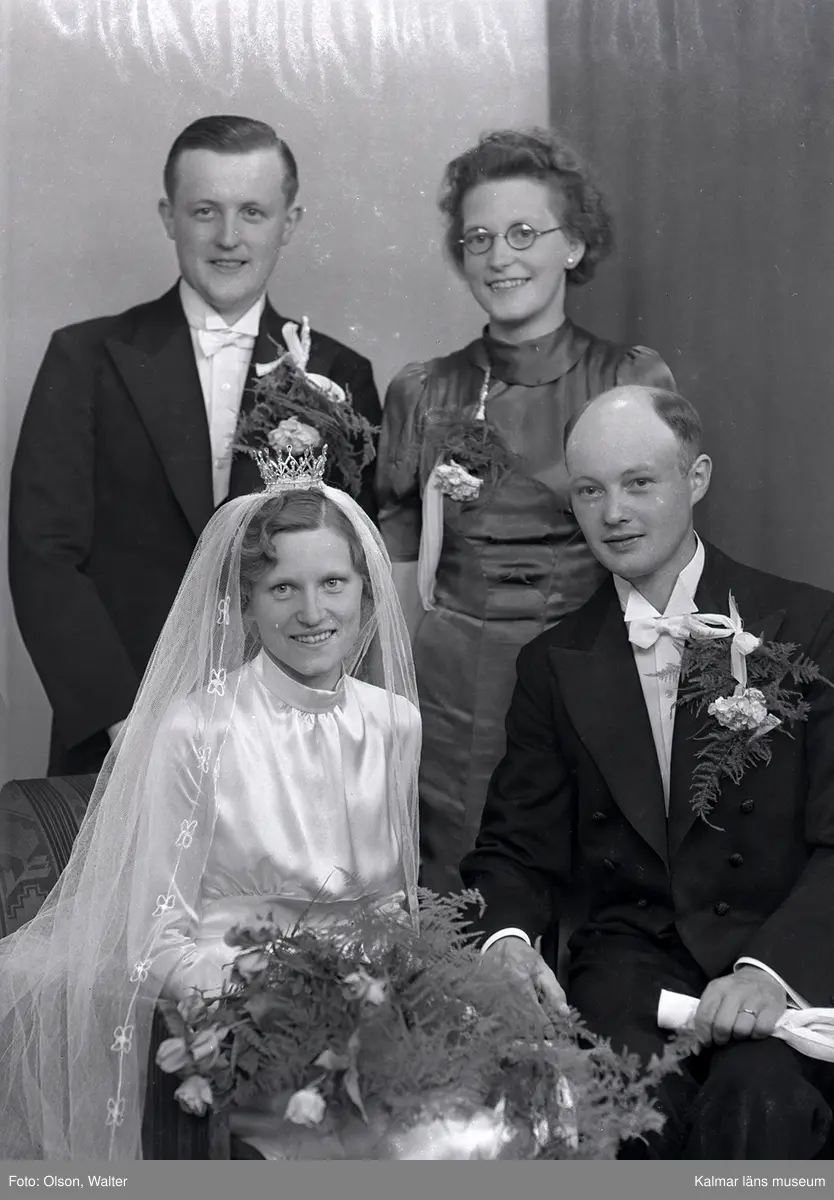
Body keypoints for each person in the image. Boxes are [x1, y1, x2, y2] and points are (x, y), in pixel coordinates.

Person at [0, 445, 419, 1160]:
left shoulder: (395, 721)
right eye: (282, 588)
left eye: (332, 583)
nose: (312, 611)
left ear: (366, 592)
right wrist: (278, 1007)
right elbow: (157, 942)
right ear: (245, 604)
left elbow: (396, 907)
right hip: (243, 1033)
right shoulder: (197, 730)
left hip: (373, 1023)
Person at [461, 385, 834, 1158]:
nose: (613, 513)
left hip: (777, 956)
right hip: (629, 972)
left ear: (696, 478)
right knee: (625, 1112)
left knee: (759, 1102)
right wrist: (505, 942)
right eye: (590, 491)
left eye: (639, 483)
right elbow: (515, 848)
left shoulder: (810, 626)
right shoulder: (553, 663)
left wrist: (770, 971)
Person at [10, 114, 382, 778]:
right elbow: (43, 554)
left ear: (289, 223)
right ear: (169, 216)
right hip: (120, 733)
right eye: (205, 210)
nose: (229, 236)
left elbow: (354, 571)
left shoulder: (338, 374)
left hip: (288, 737)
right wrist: (125, 722)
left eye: (253, 212)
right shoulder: (84, 358)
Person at [375, 127, 675, 894]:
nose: (498, 256)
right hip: (450, 696)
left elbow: (663, 562)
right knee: (457, 892)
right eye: (478, 238)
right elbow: (398, 572)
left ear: (572, 244)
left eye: (522, 233)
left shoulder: (629, 380)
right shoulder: (423, 389)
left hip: (588, 674)